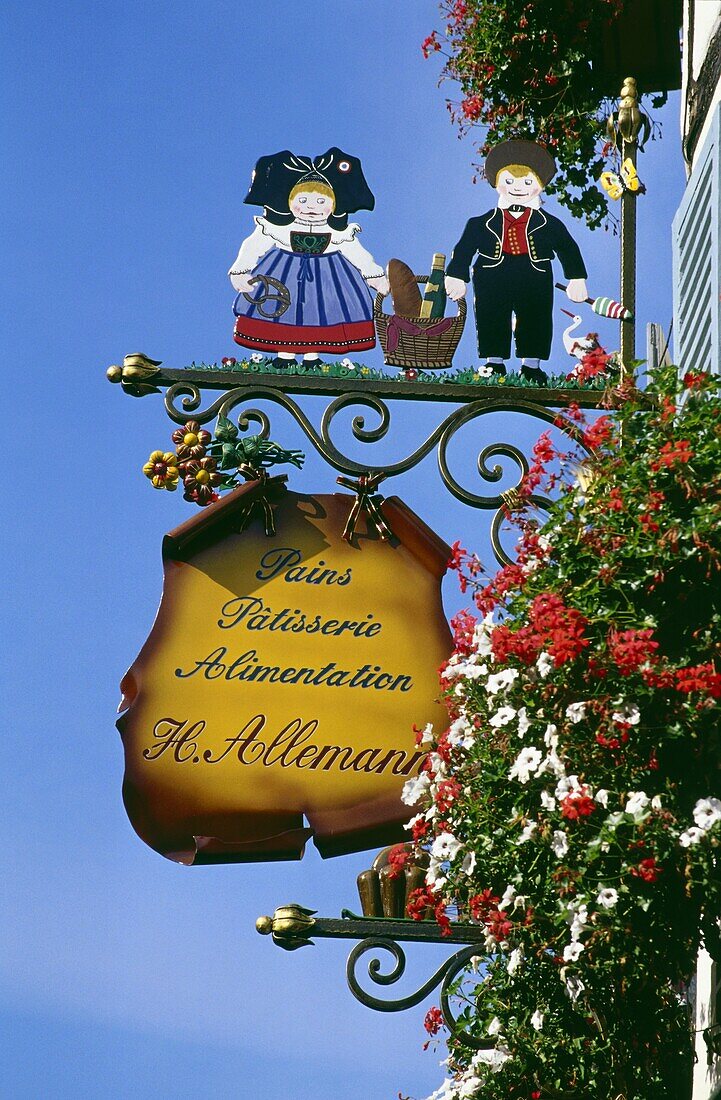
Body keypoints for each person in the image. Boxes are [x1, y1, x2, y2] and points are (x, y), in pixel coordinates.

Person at [445, 139, 588, 384]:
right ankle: (493, 363)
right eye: (509, 181)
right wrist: (456, 275)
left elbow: (567, 247)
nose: (518, 188)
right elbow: (465, 247)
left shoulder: (549, 223)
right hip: (492, 274)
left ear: (539, 186)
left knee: (536, 317)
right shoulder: (481, 222)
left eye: (527, 182)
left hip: (535, 274)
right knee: (491, 315)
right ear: (497, 183)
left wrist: (576, 278)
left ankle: (531, 366)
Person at [229, 148, 388, 367]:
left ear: (333, 205)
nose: (312, 207)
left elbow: (357, 253)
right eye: (303, 200)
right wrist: (240, 270)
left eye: (321, 201)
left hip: (329, 276)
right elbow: (254, 245)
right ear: (290, 202)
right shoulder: (277, 229)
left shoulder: (338, 233)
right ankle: (285, 356)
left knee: (321, 313)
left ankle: (312, 357)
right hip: (284, 273)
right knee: (285, 312)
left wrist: (375, 276)